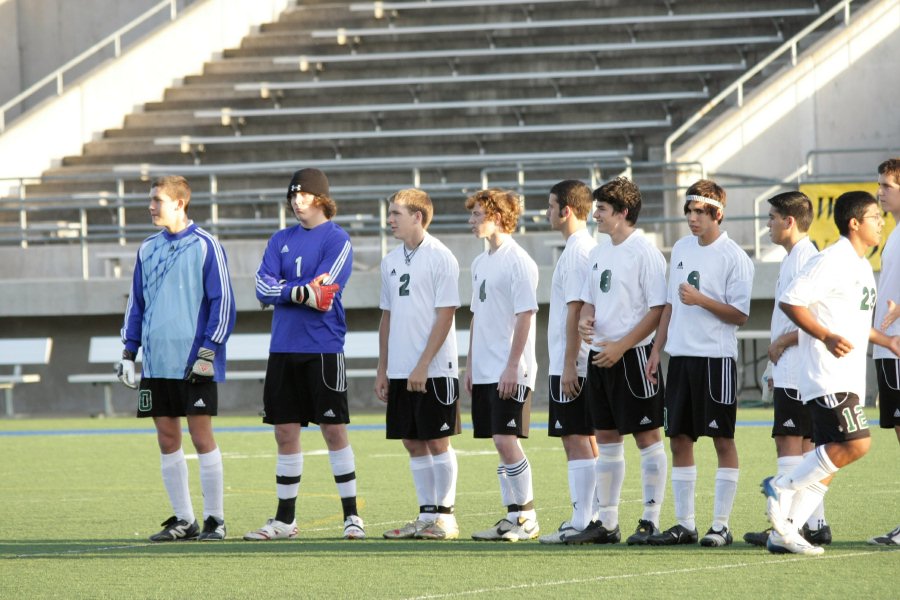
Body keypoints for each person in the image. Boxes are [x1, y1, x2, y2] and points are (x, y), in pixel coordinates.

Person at [763, 190, 900, 555]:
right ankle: (784, 485)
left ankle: (785, 531)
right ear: (854, 223)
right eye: (874, 217)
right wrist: (823, 336)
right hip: (827, 374)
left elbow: (851, 320)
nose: (881, 223)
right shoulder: (833, 259)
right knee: (857, 444)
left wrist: (887, 341)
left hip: (847, 376)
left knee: (830, 461)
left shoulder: (859, 265)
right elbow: (793, 300)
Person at [245, 167, 364, 541]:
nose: (297, 201)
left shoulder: (337, 239)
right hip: (283, 347)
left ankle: (352, 516)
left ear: (321, 199)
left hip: (323, 349)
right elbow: (262, 287)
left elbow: (325, 293)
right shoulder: (280, 238)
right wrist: (297, 292)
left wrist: (285, 290)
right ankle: (284, 520)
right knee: (284, 432)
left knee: (333, 430)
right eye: (293, 195)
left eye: (305, 195)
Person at [117, 175, 236, 542]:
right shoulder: (147, 248)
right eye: (151, 200)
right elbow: (135, 303)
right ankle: (184, 520)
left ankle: (215, 519)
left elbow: (224, 303)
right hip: (156, 362)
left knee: (202, 437)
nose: (151, 207)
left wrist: (208, 351)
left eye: (157, 200)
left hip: (194, 360)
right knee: (167, 438)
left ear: (179, 203)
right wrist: (128, 352)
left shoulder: (206, 245)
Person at [644, 179, 754, 548]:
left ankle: (720, 525)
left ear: (717, 213)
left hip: (715, 361)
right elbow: (670, 306)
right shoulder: (680, 248)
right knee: (678, 438)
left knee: (722, 439)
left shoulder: (734, 256)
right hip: (681, 359)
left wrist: (702, 299)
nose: (692, 218)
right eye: (689, 211)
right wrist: (657, 350)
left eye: (700, 212)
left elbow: (739, 315)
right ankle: (685, 524)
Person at [568, 176, 669, 546]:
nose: (595, 214)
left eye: (603, 209)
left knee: (647, 437)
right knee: (607, 438)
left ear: (623, 213)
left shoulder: (645, 252)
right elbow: (590, 298)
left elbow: (658, 308)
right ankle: (607, 523)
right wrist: (584, 319)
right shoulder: (598, 251)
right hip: (600, 356)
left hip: (633, 358)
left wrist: (623, 346)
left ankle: (650, 519)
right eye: (596, 208)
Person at [743, 191, 831, 547]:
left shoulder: (805, 258)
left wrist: (780, 343)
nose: (767, 225)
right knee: (807, 445)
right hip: (792, 369)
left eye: (772, 217)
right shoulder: (794, 258)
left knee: (790, 441)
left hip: (797, 370)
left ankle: (787, 524)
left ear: (788, 221)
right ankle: (813, 522)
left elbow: (816, 317)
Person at [375, 188, 462, 541]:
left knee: (438, 441)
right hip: (399, 368)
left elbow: (445, 316)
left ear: (418, 217)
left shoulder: (442, 257)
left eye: (396, 213)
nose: (390, 219)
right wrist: (383, 369)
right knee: (412, 441)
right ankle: (427, 515)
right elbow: (387, 317)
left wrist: (423, 364)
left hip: (435, 370)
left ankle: (446, 518)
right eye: (390, 212)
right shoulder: (390, 260)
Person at [465, 188, 541, 542]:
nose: (472, 221)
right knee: (498, 441)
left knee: (505, 438)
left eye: (478, 215)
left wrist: (513, 366)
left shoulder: (519, 261)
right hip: (484, 367)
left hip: (510, 368)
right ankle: (512, 517)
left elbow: (525, 316)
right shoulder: (480, 263)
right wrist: (469, 364)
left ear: (496, 216)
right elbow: (477, 317)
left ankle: (527, 517)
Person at [537, 180, 599, 544]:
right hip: (575, 359)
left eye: (550, 206)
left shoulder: (577, 251)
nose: (546, 212)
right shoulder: (580, 248)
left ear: (567, 210)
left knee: (574, 437)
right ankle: (590, 516)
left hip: (572, 362)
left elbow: (576, 308)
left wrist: (569, 364)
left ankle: (582, 518)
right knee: (585, 438)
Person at [865, 158, 900, 547]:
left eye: (887, 186)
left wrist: (896, 312)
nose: (880, 192)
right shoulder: (893, 233)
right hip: (889, 350)